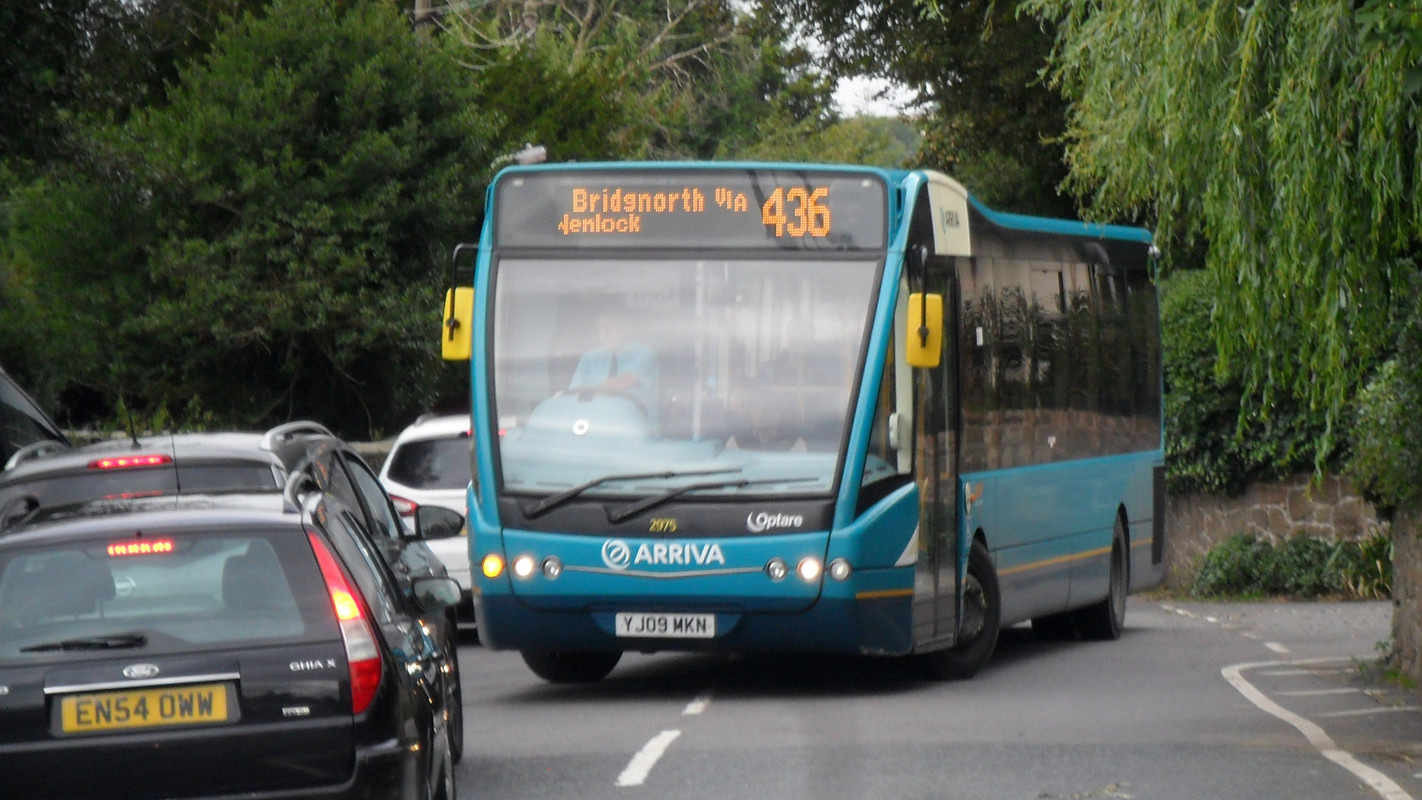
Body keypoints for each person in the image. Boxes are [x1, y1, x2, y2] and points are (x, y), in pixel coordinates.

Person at [566, 311, 659, 419]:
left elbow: (622, 382)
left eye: (613, 327)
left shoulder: (645, 353)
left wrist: (586, 393)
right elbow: (574, 393)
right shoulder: (590, 357)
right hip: (596, 423)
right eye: (602, 328)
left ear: (627, 329)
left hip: (636, 427)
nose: (606, 333)